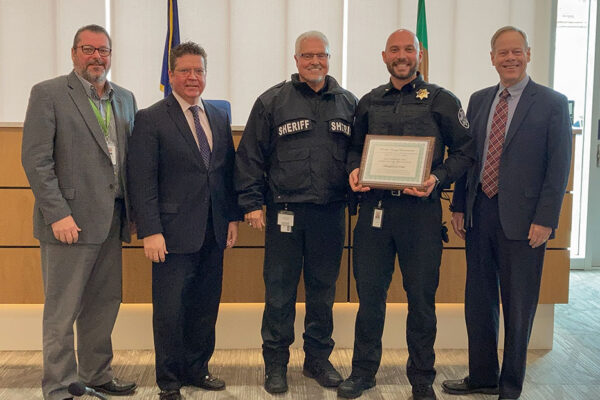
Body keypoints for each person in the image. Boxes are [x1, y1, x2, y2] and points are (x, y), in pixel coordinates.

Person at [338, 29, 474, 400]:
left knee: (421, 301)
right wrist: (354, 169)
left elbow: (466, 154)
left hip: (421, 213)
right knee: (370, 299)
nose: (402, 55)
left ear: (420, 54)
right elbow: (353, 149)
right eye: (395, 50)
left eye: (409, 49)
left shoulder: (443, 100)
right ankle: (363, 372)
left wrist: (437, 178)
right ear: (384, 56)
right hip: (375, 213)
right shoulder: (368, 102)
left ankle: (421, 379)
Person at [442, 26, 572, 400]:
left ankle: (510, 386)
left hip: (526, 221)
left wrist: (546, 219)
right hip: (480, 214)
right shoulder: (479, 100)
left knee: (519, 306)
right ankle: (482, 376)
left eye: (517, 52)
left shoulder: (551, 102)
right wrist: (459, 206)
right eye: (503, 53)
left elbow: (557, 167)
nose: (510, 58)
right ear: (492, 58)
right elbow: (469, 158)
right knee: (478, 302)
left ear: (528, 54)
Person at [234, 31, 357, 394]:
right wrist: (252, 203)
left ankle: (317, 359)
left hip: (330, 214)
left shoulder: (348, 103)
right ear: (296, 59)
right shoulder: (272, 101)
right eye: (307, 56)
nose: (314, 62)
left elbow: (358, 156)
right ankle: (275, 363)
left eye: (321, 55)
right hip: (284, 213)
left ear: (330, 58)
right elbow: (250, 157)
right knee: (279, 292)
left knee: (323, 291)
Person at [21, 24, 138, 400]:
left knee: (104, 305)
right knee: (63, 309)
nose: (97, 57)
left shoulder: (125, 99)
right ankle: (58, 384)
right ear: (74, 53)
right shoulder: (49, 94)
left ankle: (97, 374)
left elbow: (127, 161)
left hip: (112, 219)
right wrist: (58, 214)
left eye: (103, 50)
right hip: (68, 223)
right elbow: (36, 161)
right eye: (88, 49)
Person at [127, 42, 240, 400]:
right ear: (171, 75)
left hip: (214, 228)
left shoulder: (219, 115)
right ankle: (170, 380)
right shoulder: (151, 117)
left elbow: (225, 174)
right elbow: (141, 179)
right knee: (171, 310)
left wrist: (232, 219)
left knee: (205, 306)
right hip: (170, 234)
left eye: (199, 71)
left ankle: (197, 369)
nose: (193, 78)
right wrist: (150, 231)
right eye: (186, 71)